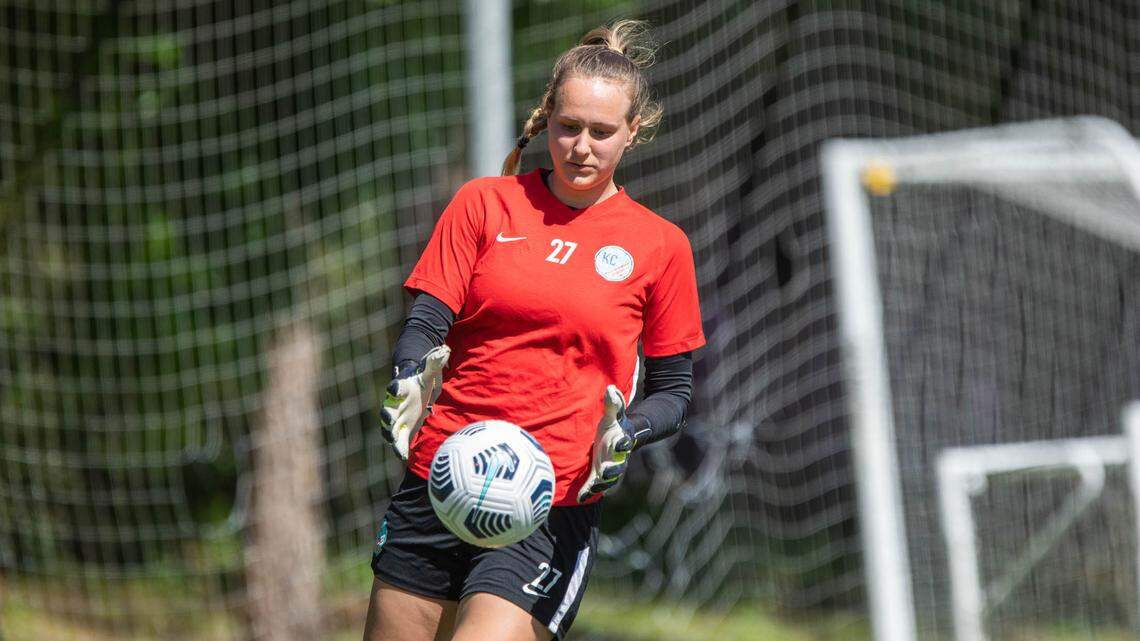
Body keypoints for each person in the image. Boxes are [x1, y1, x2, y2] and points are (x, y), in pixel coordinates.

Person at [363, 19, 705, 641]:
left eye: (602, 132)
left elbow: (675, 393)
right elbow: (425, 323)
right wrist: (408, 373)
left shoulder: (661, 245)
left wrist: (626, 432)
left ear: (634, 132)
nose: (581, 146)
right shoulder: (483, 203)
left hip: (550, 505)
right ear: (545, 119)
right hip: (440, 478)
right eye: (568, 126)